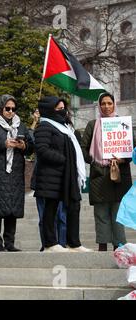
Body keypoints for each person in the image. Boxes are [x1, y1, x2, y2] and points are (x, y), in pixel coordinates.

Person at [34, 96, 92, 252]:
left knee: (74, 205)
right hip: (51, 176)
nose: (63, 111)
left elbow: (77, 150)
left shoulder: (66, 128)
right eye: (58, 109)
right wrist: (63, 159)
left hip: (69, 175)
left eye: (63, 108)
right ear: (49, 110)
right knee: (51, 208)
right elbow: (42, 150)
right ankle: (50, 243)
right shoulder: (44, 126)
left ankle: (74, 242)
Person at [0, 94, 34, 252]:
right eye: (7, 108)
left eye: (13, 109)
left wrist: (24, 146)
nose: (10, 112)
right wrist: (3, 143)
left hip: (15, 172)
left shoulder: (20, 124)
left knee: (12, 208)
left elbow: (30, 145)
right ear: (0, 107)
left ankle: (10, 243)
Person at [80, 92, 134, 251]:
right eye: (103, 103)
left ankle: (120, 247)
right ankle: (102, 247)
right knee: (101, 213)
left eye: (109, 103)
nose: (106, 107)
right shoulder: (92, 125)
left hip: (119, 175)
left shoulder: (123, 124)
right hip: (99, 175)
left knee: (118, 213)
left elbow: (132, 150)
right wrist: (94, 161)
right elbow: (83, 148)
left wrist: (123, 160)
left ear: (114, 104)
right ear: (99, 105)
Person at [29, 108, 67, 250]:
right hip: (43, 181)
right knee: (45, 216)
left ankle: (61, 243)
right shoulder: (41, 129)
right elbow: (31, 141)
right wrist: (35, 122)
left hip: (61, 180)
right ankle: (47, 243)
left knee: (61, 216)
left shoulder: (65, 131)